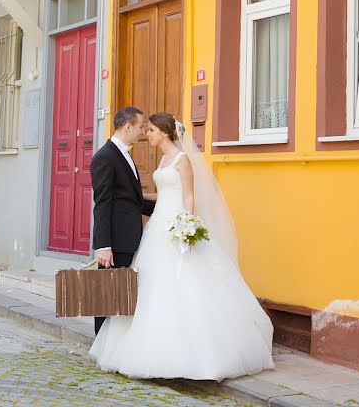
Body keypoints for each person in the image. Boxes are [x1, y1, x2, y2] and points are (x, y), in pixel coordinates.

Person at [90, 112, 274, 381]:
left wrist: (186, 228)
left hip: (175, 226)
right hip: (156, 229)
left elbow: (189, 197)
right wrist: (134, 199)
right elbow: (159, 193)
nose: (146, 134)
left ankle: (193, 354)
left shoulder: (182, 159)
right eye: (144, 129)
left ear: (163, 133)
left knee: (181, 284)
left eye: (150, 130)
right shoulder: (161, 159)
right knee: (147, 285)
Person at [89, 106, 155, 336]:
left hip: (129, 237)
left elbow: (130, 201)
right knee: (107, 294)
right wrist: (103, 245)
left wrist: (165, 207)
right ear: (128, 126)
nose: (143, 131)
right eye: (140, 126)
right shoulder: (105, 157)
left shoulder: (124, 154)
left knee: (120, 294)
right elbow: (103, 203)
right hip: (115, 241)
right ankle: (101, 345)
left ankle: (114, 344)